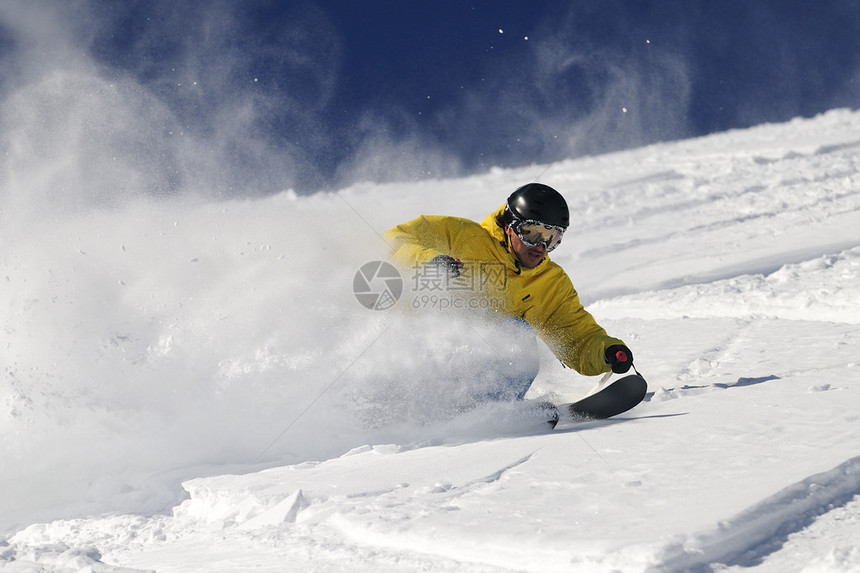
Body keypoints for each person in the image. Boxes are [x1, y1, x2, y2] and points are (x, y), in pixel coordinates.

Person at [384, 182, 634, 402]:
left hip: (472, 380)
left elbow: (574, 334)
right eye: (532, 233)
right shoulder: (461, 235)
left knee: (517, 338)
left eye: (552, 238)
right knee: (514, 333)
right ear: (510, 226)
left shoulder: (550, 282)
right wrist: (430, 260)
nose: (541, 246)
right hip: (414, 353)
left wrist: (606, 351)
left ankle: (493, 409)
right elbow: (394, 239)